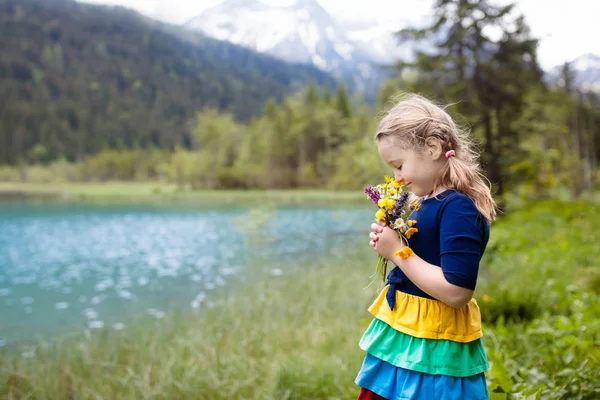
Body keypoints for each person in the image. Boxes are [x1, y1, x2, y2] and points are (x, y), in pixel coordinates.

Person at [356, 94, 497, 400]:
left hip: (433, 345)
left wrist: (398, 252)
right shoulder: (426, 202)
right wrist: (395, 238)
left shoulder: (458, 209)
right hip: (409, 334)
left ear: (432, 148)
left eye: (399, 165)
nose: (398, 178)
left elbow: (457, 292)